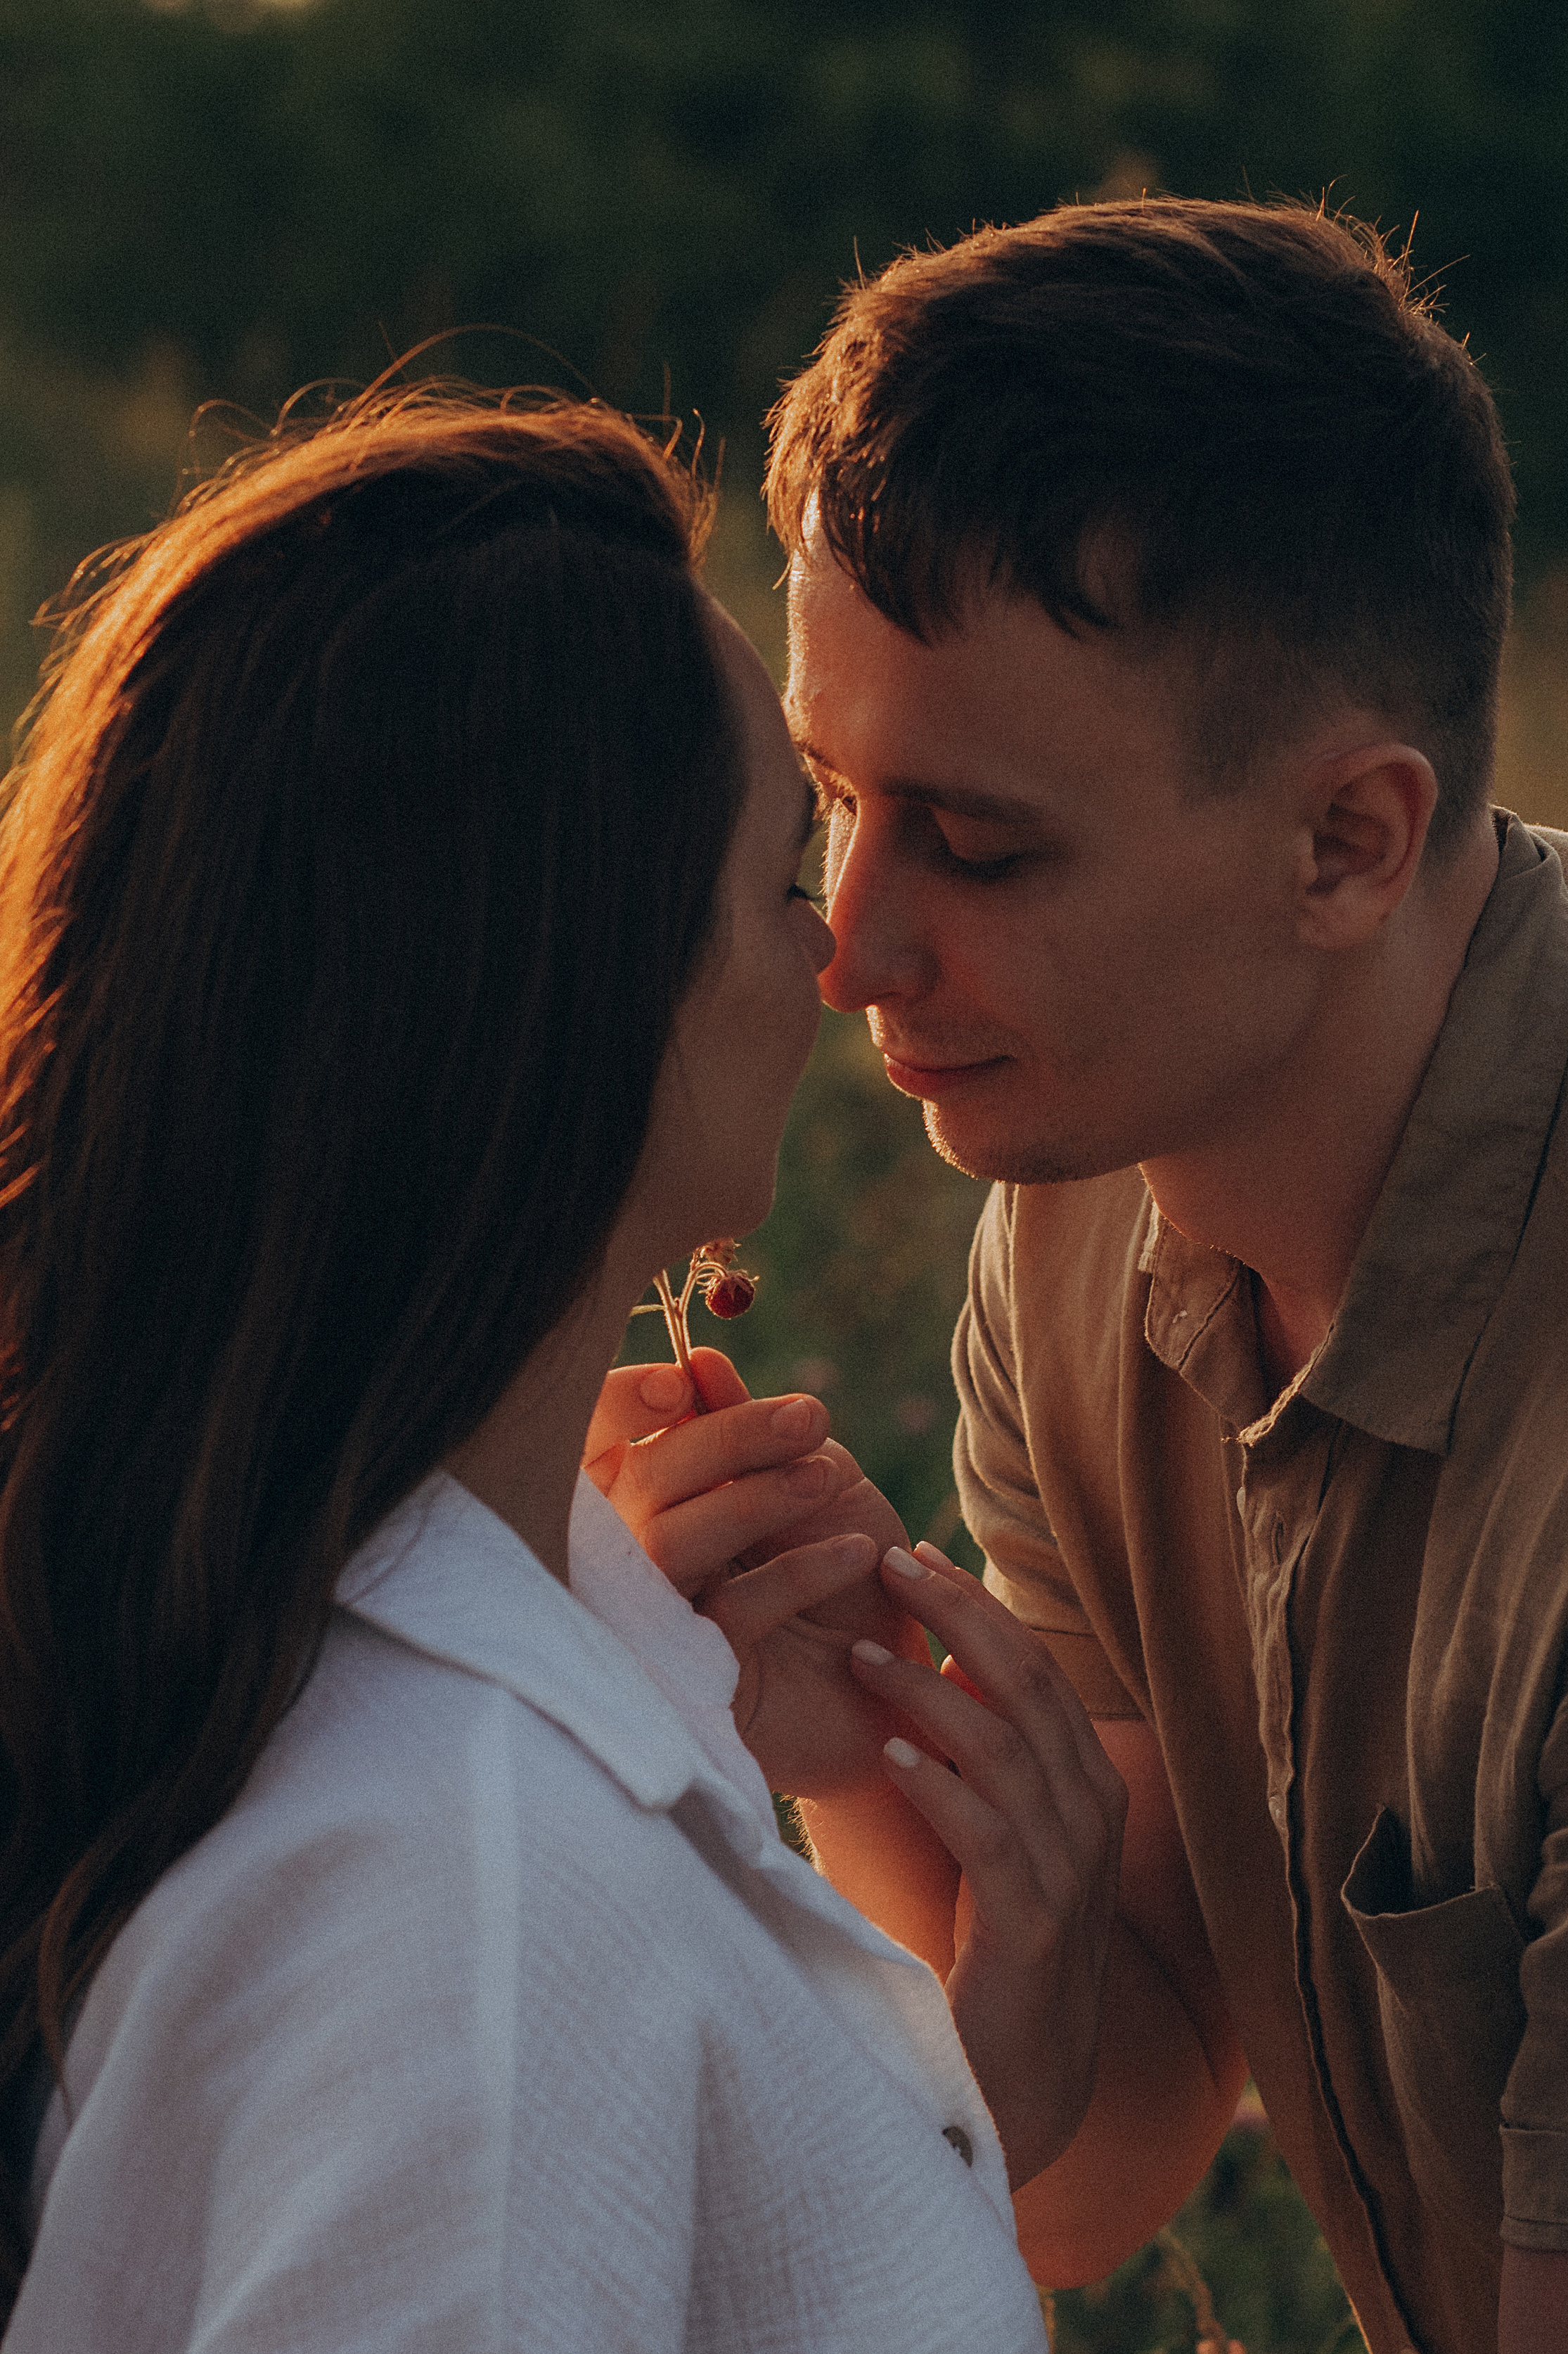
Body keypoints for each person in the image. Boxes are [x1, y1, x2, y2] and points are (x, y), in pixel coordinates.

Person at [626, 198, 1568, 2353]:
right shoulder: (1082, 1202)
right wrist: (855, 1732)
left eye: (978, 845)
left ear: (1350, 838)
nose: (849, 944)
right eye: (826, 802)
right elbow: (1098, 2160)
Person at [0, 385, 1125, 2350]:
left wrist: (948, 2076)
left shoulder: (341, 1678)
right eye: (790, 873)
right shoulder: (467, 1893)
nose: (844, 960)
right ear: (575, 995)